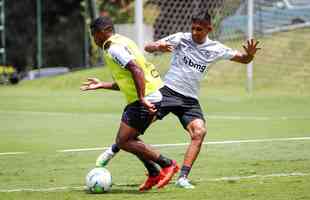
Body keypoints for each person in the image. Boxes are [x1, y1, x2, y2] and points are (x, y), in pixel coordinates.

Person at [96, 10, 261, 189]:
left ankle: (182, 177)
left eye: (199, 29)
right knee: (133, 132)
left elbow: (244, 59)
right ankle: (114, 148)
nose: (195, 32)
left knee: (199, 132)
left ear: (209, 29)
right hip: (167, 92)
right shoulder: (181, 38)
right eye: (193, 28)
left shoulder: (216, 49)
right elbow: (149, 46)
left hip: (189, 99)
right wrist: (158, 47)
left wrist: (250, 55)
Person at [81, 16, 179, 191]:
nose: (94, 39)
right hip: (147, 95)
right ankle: (154, 173)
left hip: (146, 97)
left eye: (94, 34)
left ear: (103, 32)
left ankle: (168, 164)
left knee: (123, 141)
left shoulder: (113, 48)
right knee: (129, 139)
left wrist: (142, 98)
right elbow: (129, 80)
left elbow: (136, 70)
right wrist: (102, 85)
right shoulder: (124, 41)